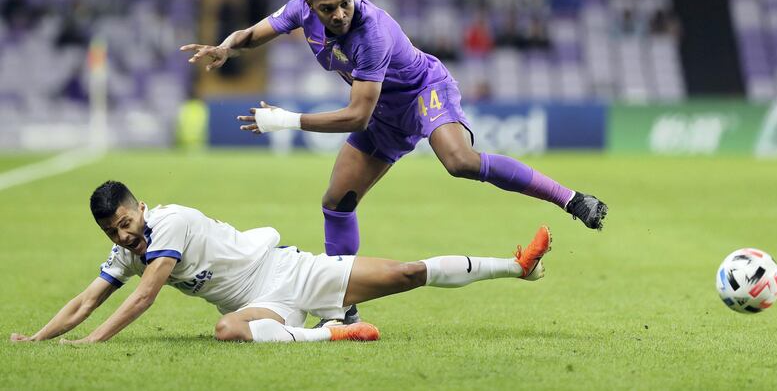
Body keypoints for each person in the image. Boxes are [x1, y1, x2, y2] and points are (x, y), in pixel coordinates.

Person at [180, 0, 607, 322]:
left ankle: (571, 199)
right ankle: (342, 309)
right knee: (336, 202)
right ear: (310, 5)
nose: (340, 13)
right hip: (384, 112)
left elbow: (357, 114)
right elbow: (255, 34)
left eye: (345, 2)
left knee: (459, 161)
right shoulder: (299, 10)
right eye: (328, 8)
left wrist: (287, 121)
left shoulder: (372, 34)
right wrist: (225, 48)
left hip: (422, 92)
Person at [9, 181, 552, 345]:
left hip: (285, 270)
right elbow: (88, 296)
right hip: (262, 304)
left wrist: (92, 341)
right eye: (113, 232)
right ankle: (334, 334)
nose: (125, 236)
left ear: (141, 208)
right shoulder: (124, 251)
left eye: (126, 223)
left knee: (406, 273)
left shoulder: (169, 222)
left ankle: (516, 267)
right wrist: (38, 338)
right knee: (226, 329)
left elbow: (147, 294)